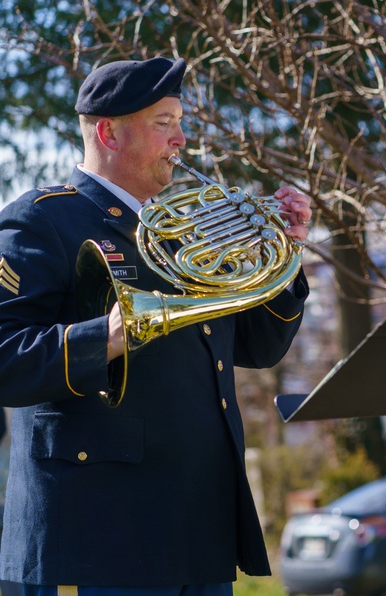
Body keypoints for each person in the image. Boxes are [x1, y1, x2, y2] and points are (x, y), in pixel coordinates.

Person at [0, 57, 313, 595]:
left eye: (180, 123)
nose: (182, 139)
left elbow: (260, 348)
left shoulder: (186, 231)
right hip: (97, 537)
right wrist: (109, 336)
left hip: (197, 527)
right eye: (164, 123)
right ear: (108, 133)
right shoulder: (43, 219)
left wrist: (285, 257)